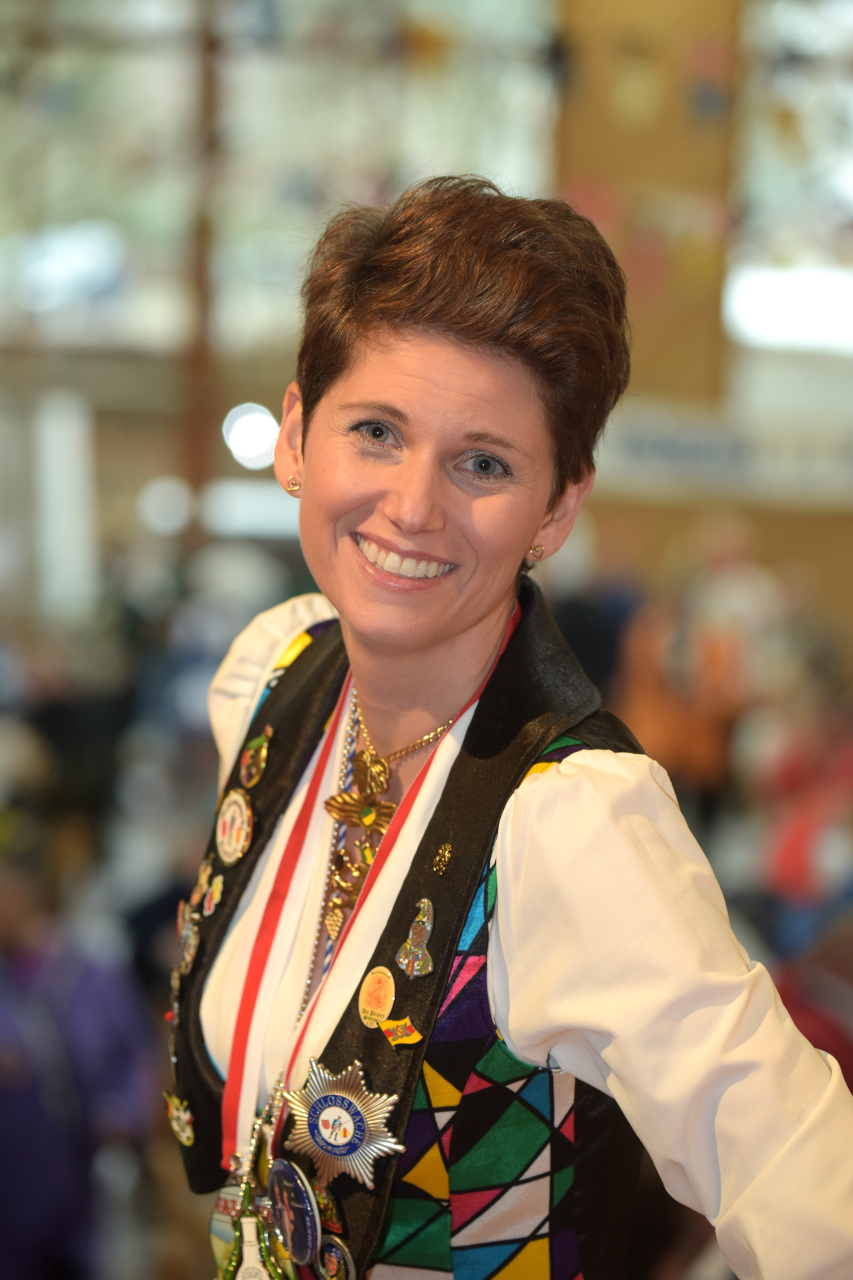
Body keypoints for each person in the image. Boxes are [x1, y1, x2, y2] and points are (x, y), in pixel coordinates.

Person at [168, 177, 853, 1280]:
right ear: (294, 436)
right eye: (375, 431)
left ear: (557, 507)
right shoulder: (273, 677)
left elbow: (817, 1206)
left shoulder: (574, 824)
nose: (412, 506)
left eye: (482, 462)